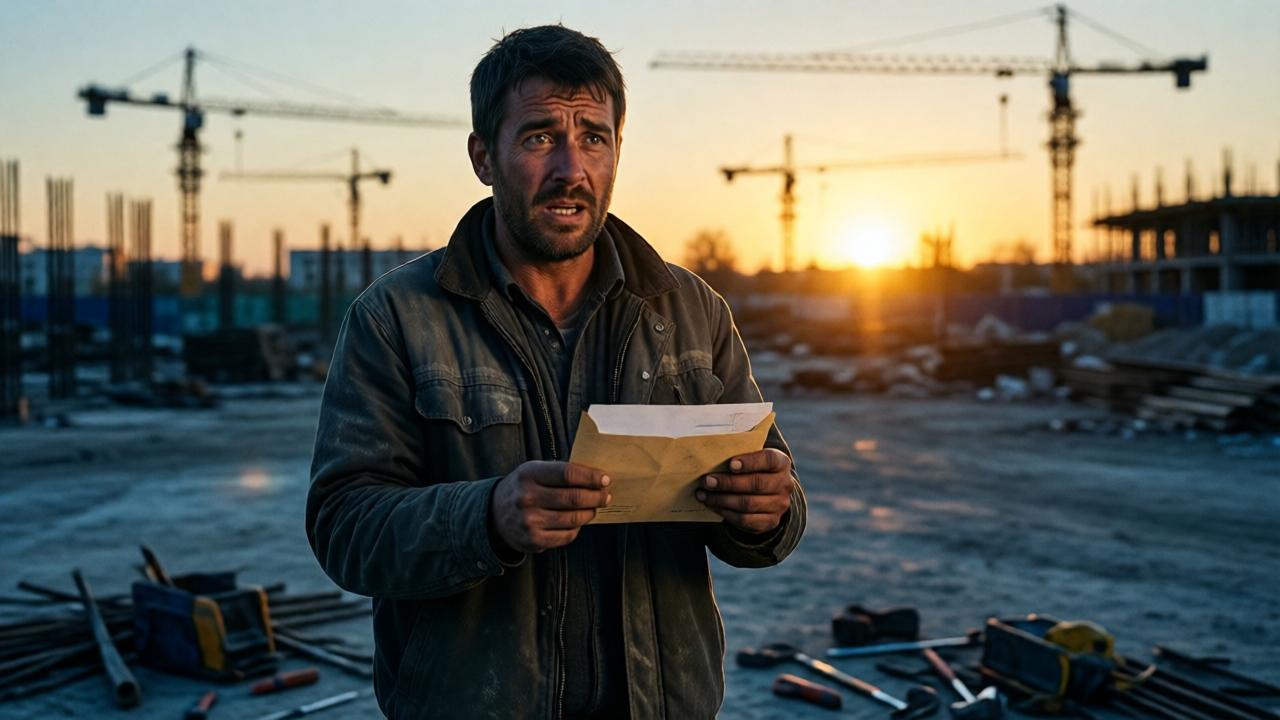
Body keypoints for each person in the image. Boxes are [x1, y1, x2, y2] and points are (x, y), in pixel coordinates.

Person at [307, 24, 806, 719]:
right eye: (541, 137)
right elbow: (343, 527)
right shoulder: (397, 317)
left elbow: (776, 505)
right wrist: (487, 517)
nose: (572, 169)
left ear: (617, 151)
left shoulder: (693, 311)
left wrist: (766, 512)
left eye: (594, 138)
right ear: (484, 156)